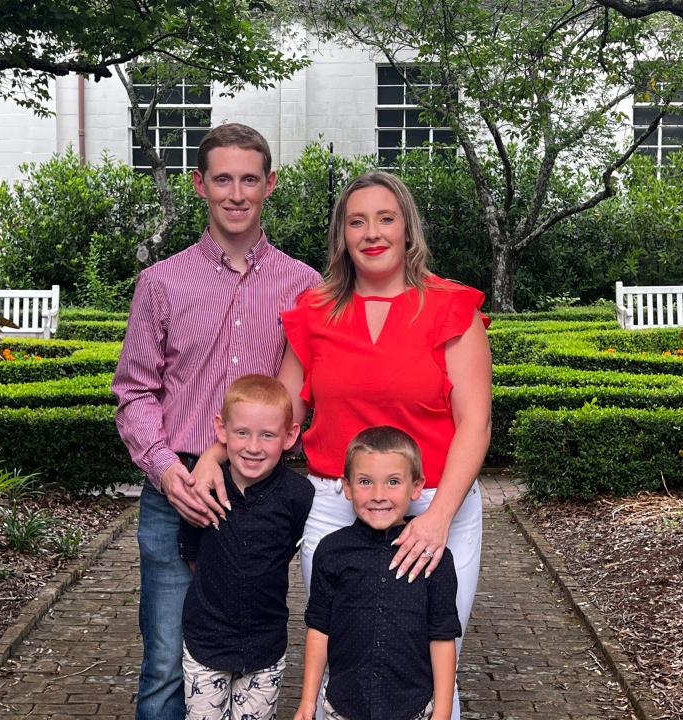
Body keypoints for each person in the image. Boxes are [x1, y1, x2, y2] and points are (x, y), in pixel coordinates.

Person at [193, 170, 491, 720]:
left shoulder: (453, 310)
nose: (371, 233)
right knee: (340, 652)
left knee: (429, 655)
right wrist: (215, 454)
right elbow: (279, 416)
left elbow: (475, 424)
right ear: (342, 234)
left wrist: (438, 518)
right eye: (357, 221)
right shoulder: (314, 311)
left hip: (433, 505)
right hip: (335, 504)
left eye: (385, 218)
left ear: (407, 230)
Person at [111, 123, 321, 720]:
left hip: (255, 492)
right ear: (200, 184)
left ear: (269, 185)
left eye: (249, 179)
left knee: (246, 658)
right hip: (173, 486)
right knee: (164, 665)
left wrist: (224, 455)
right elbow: (134, 390)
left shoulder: (301, 287)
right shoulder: (161, 283)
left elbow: (291, 398)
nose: (236, 193)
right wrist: (163, 470)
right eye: (222, 179)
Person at [294, 426, 460, 720]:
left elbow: (443, 636)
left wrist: (443, 712)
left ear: (417, 486)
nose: (379, 495)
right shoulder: (331, 552)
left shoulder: (434, 559)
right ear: (347, 486)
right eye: (365, 482)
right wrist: (308, 701)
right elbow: (319, 628)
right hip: (344, 706)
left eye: (393, 482)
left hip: (411, 709)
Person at [178, 373, 313, 720]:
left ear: (289, 436)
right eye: (242, 433)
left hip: (265, 645)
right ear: (221, 431)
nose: (253, 447)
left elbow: (287, 548)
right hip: (206, 642)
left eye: (268, 435)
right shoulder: (204, 488)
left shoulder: (299, 496)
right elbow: (192, 551)